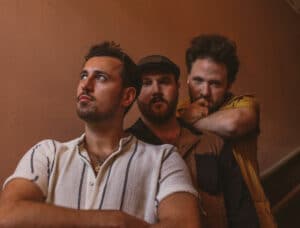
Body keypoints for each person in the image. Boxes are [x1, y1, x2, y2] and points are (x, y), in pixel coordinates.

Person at [0, 42, 201, 228]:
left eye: (101, 77)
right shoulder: (47, 153)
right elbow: (7, 215)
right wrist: (110, 220)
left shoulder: (164, 159)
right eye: (83, 76)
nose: (85, 86)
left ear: (127, 96)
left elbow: (185, 225)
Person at [127, 54, 260, 227]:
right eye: (146, 83)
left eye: (164, 81)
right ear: (135, 91)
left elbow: (242, 214)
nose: (156, 90)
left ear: (178, 87)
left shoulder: (213, 143)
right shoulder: (126, 146)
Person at [177, 34, 276, 227]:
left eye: (214, 83)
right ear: (188, 79)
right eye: (198, 80)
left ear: (229, 84)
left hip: (253, 218)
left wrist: (190, 121)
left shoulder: (244, 104)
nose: (204, 91)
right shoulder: (181, 110)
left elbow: (233, 125)